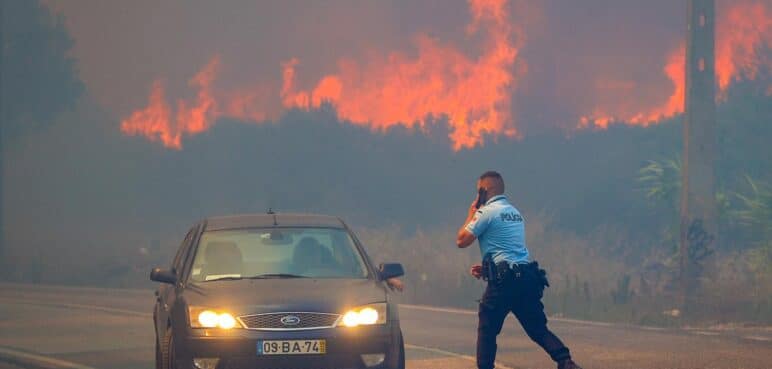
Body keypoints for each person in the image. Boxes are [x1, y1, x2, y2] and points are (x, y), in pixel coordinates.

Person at [456, 171, 582, 369]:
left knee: (487, 329)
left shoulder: (486, 212)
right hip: (526, 278)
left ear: (483, 191)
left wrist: (471, 214)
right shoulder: (515, 213)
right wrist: (488, 268)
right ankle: (565, 361)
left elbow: (461, 240)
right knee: (538, 329)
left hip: (503, 283)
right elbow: (509, 251)